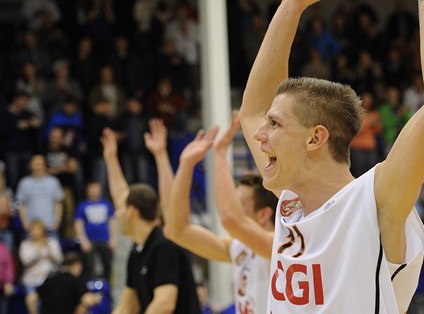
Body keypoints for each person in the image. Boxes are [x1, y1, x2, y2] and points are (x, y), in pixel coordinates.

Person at [238, 0, 424, 312]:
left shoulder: (374, 201)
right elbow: (252, 111)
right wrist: (290, 6)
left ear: (315, 138)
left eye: (275, 125)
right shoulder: (290, 198)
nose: (259, 134)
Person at [164, 113, 276, 314]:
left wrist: (220, 153)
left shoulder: (280, 245)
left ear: (264, 215)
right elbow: (177, 230)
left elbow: (231, 218)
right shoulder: (241, 248)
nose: (229, 205)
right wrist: (186, 166)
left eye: (238, 203)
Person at [101, 128, 200, 314]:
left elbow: (164, 305)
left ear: (132, 212)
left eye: (120, 210)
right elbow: (127, 307)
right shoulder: (137, 251)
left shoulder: (164, 246)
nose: (116, 215)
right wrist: (111, 158)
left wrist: (160, 155)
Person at [26, 252, 102, 314]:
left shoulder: (50, 279)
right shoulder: (75, 281)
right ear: (77, 265)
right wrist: (95, 298)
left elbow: (30, 299)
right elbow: (87, 300)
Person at [74, 181, 117, 280]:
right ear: (88, 192)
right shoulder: (82, 206)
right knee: (89, 266)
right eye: (92, 191)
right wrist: (83, 240)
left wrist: (113, 238)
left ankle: (108, 288)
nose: (94, 193)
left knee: (108, 265)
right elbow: (78, 223)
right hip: (90, 240)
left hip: (105, 240)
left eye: (96, 191)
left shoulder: (107, 204)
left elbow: (112, 221)